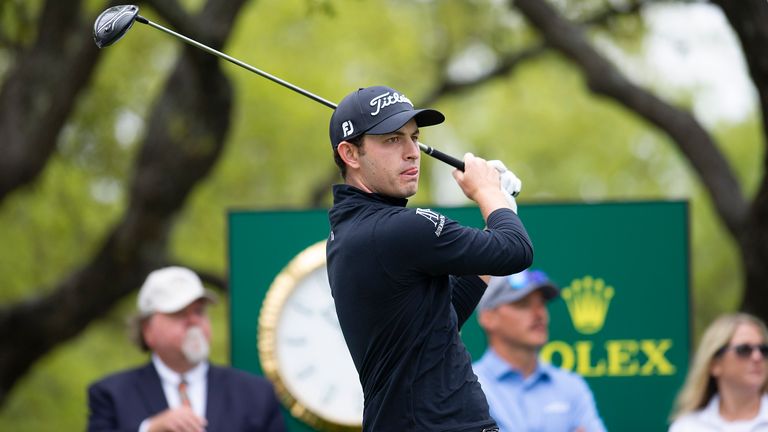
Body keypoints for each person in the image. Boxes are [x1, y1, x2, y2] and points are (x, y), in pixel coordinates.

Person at [326, 85, 534, 432]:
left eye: (414, 137)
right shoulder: (397, 228)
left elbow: (445, 314)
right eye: (392, 139)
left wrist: (500, 207)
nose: (411, 152)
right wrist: (488, 193)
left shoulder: (350, 232)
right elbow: (515, 249)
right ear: (350, 153)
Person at [87, 266, 286, 432]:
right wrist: (149, 429)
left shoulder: (256, 394)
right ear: (147, 330)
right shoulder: (111, 395)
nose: (193, 321)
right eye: (178, 313)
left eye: (199, 311)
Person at [472, 269, 607, 432]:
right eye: (522, 304)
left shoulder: (571, 386)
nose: (539, 314)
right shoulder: (468, 388)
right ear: (488, 317)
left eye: (542, 304)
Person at [668, 313, 768, 431]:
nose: (757, 357)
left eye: (763, 350)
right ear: (714, 364)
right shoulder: (687, 427)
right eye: (744, 350)